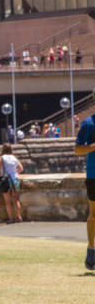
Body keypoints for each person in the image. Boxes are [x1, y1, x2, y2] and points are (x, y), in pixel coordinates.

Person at [74, 102, 95, 270]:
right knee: (93, 215)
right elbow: (77, 149)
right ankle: (91, 248)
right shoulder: (88, 123)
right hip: (94, 174)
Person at [0, 143, 23, 224]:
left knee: (7, 201)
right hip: (15, 179)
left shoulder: (1, 158)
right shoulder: (14, 158)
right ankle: (19, 217)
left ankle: (11, 218)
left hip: (6, 181)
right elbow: (21, 168)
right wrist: (15, 173)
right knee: (15, 200)